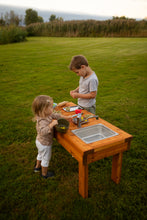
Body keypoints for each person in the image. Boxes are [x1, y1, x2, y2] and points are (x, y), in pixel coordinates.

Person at [32, 95, 71, 179]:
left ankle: (37, 167)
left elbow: (56, 116)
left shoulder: (46, 114)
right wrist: (51, 125)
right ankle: (44, 174)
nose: (52, 109)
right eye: (50, 107)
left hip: (40, 141)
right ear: (43, 109)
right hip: (45, 144)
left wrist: (67, 117)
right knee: (45, 158)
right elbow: (42, 132)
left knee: (40, 154)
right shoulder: (42, 121)